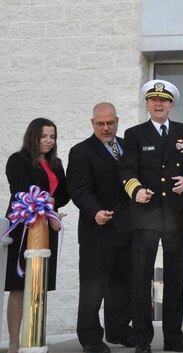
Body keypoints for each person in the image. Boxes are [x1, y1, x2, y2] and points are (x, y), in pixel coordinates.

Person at [120, 79, 183, 353]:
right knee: (142, 278)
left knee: (175, 277)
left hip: (175, 215)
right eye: (154, 100)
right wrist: (136, 190)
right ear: (146, 104)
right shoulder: (134, 134)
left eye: (163, 101)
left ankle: (174, 338)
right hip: (146, 214)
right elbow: (126, 171)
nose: (158, 104)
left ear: (171, 105)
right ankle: (142, 339)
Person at [67, 102, 133, 353]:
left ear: (117, 120)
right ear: (92, 123)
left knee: (122, 286)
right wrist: (95, 211)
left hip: (127, 230)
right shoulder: (81, 152)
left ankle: (118, 331)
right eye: (100, 124)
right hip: (97, 231)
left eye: (110, 123)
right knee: (93, 288)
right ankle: (90, 338)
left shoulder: (128, 146)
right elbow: (79, 189)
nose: (106, 128)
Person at [4, 118, 69, 353]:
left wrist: (53, 202)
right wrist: (45, 200)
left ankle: (35, 338)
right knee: (19, 286)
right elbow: (20, 189)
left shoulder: (57, 163)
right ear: (32, 136)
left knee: (38, 285)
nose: (49, 141)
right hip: (24, 227)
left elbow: (63, 193)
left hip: (46, 230)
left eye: (52, 136)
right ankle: (13, 342)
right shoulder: (18, 160)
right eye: (43, 136)